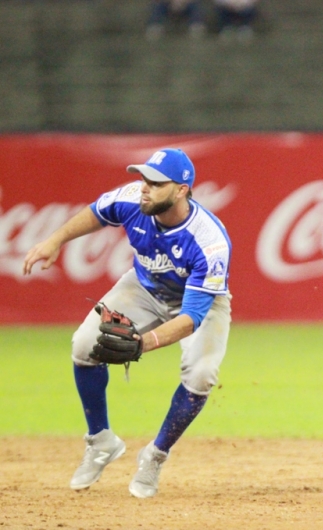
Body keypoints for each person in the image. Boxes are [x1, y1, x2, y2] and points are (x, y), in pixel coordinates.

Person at [22, 148, 232, 498]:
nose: (144, 187)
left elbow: (191, 318)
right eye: (144, 178)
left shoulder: (209, 242)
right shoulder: (132, 198)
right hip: (143, 286)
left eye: (155, 182)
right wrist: (54, 240)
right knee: (83, 345)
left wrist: (142, 343)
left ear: (181, 189)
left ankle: (155, 455)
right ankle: (101, 441)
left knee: (201, 375)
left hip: (198, 304)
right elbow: (96, 213)